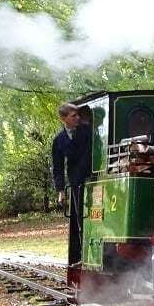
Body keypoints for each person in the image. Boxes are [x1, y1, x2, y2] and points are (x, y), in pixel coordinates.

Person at [51, 102, 91, 271]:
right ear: (63, 118)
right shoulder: (59, 140)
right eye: (73, 116)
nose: (77, 118)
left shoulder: (87, 131)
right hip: (76, 182)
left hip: (92, 176)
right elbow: (57, 166)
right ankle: (83, 257)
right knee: (81, 219)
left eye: (77, 115)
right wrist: (60, 190)